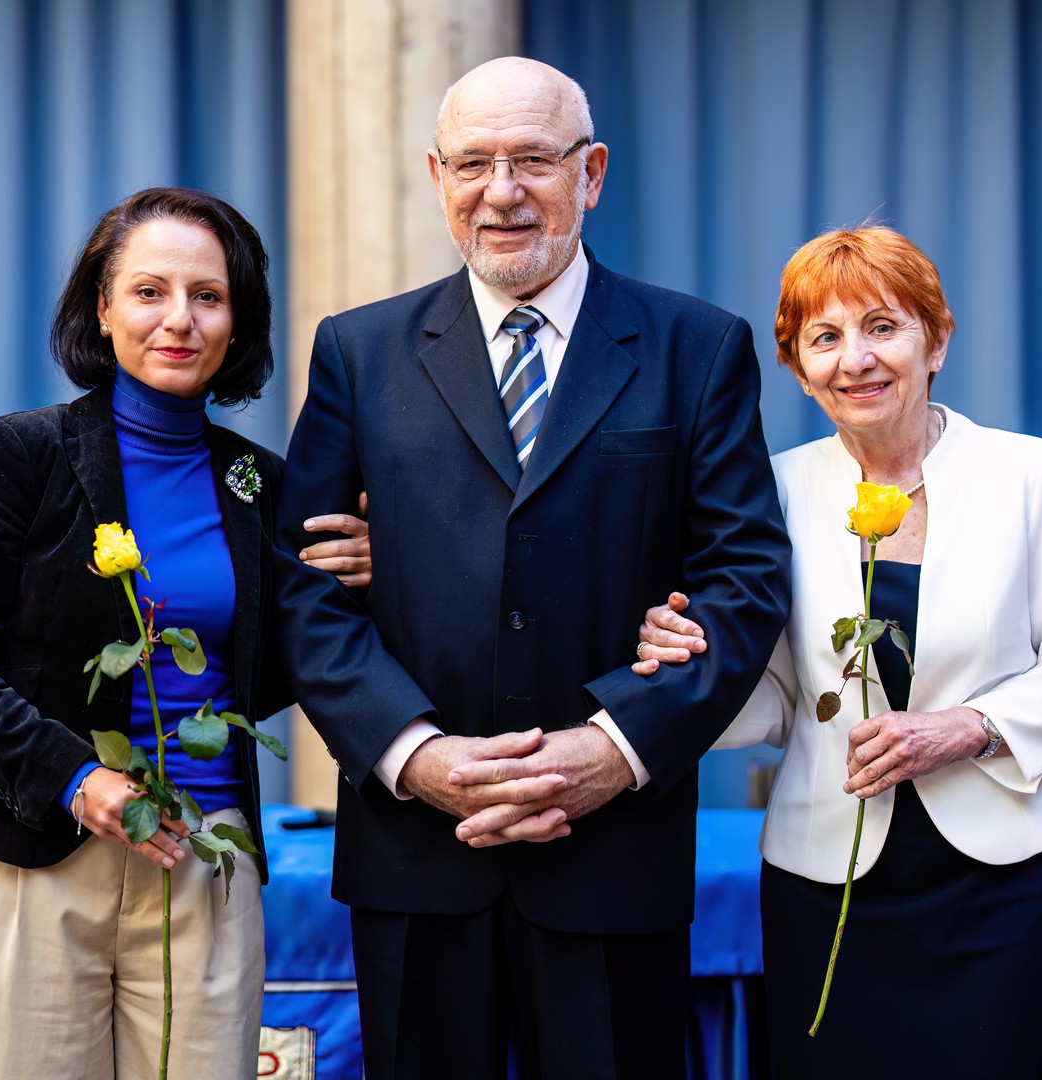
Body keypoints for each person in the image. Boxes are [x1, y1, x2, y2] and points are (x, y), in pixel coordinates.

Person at [277, 58, 792, 1078]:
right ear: (437, 177)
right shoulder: (357, 351)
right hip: (417, 853)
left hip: (614, 851)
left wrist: (613, 747)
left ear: (590, 173)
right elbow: (305, 590)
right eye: (473, 163)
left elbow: (743, 578)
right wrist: (417, 756)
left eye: (532, 161)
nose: (501, 192)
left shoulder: (698, 347)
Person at [0, 187, 437, 1079]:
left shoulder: (263, 483)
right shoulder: (24, 454)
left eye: (208, 296)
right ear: (103, 309)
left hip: (205, 855)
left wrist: (371, 583)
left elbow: (275, 666)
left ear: (237, 321)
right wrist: (74, 778)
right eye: (149, 291)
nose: (179, 319)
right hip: (40, 852)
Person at [635, 224, 1042, 1076]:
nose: (855, 359)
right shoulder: (771, 491)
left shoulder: (1029, 472)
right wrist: (689, 662)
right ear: (796, 367)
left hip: (1007, 877)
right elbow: (778, 700)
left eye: (882, 327)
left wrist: (968, 728)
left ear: (936, 341)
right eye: (824, 338)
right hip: (826, 878)